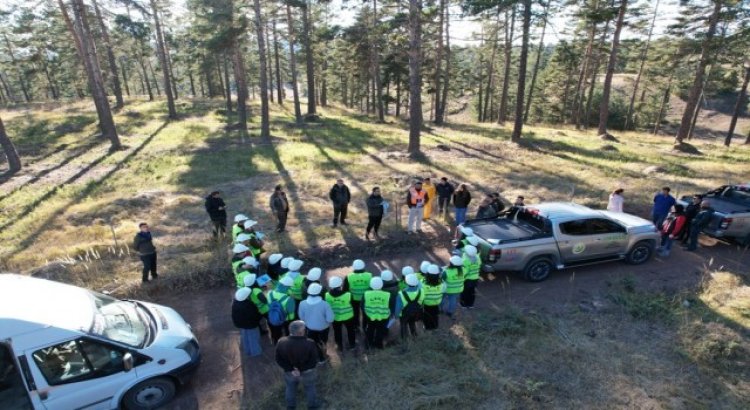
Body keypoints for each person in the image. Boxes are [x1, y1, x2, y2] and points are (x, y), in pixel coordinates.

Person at [275, 320, 321, 410]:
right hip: (307, 371)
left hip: (290, 372)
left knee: (290, 387)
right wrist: (301, 370)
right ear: (301, 332)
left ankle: (291, 407)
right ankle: (312, 406)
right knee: (310, 387)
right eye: (304, 329)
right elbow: (314, 361)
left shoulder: (281, 342)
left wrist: (292, 369)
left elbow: (278, 359)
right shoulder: (310, 343)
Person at [298, 283, 334, 364]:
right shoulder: (325, 304)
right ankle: (323, 356)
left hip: (309, 328)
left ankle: (319, 358)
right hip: (323, 328)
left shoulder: (302, 303)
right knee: (322, 342)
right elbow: (330, 318)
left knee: (313, 343)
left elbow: (301, 317)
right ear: (319, 292)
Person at [325, 276, 356, 351]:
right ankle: (352, 345)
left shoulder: (327, 295)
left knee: (337, 332)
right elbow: (353, 305)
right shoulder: (348, 294)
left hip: (335, 317)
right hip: (348, 316)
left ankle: (340, 346)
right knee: (350, 330)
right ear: (340, 285)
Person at [232, 283, 263, 357]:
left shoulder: (235, 303)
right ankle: (256, 352)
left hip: (241, 324)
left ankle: (247, 350)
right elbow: (255, 315)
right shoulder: (248, 305)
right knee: (253, 338)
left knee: (245, 336)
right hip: (251, 325)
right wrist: (259, 316)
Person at [362, 277, 392, 349]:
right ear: (381, 285)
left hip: (370, 316)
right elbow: (390, 305)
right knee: (380, 330)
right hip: (383, 316)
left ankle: (369, 344)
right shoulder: (387, 294)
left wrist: (366, 313)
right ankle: (378, 344)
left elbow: (362, 305)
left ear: (371, 285)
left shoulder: (366, 294)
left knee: (370, 329)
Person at [344, 259, 372, 332]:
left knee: (355, 313)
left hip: (354, 298)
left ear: (354, 267)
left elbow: (345, 290)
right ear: (363, 266)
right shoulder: (369, 275)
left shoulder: (349, 277)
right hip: (366, 298)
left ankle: (356, 327)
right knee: (365, 312)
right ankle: (365, 327)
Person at [268, 276, 297, 344]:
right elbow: (291, 315)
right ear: (287, 287)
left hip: (273, 316)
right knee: (287, 331)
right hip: (285, 319)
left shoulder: (270, 293)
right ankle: (288, 342)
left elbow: (269, 305)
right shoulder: (289, 299)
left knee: (276, 331)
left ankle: (275, 341)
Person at [395, 274, 424, 339]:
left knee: (403, 325)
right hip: (415, 312)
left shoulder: (401, 293)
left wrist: (396, 315)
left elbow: (398, 308)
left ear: (406, 282)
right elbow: (422, 303)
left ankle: (404, 339)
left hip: (404, 314)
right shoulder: (421, 291)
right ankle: (414, 336)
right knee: (412, 323)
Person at [422, 265, 445, 330]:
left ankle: (427, 327)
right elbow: (444, 290)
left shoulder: (422, 283)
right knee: (435, 315)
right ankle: (435, 326)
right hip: (436, 303)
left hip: (426, 304)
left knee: (426, 315)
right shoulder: (442, 284)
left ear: (427, 275)